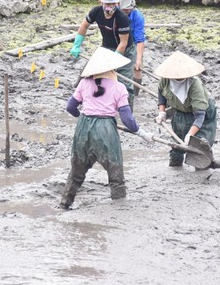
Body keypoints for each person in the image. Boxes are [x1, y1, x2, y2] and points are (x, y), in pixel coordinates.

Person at [62, 46, 153, 209]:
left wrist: (81, 116)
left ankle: (64, 204)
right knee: (115, 173)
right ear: (112, 68)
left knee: (77, 171)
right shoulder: (119, 88)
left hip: (83, 128)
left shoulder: (84, 82)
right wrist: (142, 133)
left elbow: (70, 107)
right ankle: (119, 210)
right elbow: (126, 118)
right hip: (105, 129)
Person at [154, 51, 220, 169]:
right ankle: (176, 165)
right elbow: (161, 92)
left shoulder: (195, 85)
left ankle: (206, 164)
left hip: (202, 116)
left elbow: (200, 116)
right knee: (177, 147)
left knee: (199, 146)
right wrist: (162, 111)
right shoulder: (165, 80)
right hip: (180, 112)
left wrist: (190, 134)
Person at [70, 0, 136, 109]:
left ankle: (127, 111)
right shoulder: (96, 12)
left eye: (113, 4)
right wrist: (77, 45)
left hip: (125, 51)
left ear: (117, 3)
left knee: (125, 82)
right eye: (107, 4)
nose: (110, 6)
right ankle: (77, 100)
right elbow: (84, 26)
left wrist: (114, 62)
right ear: (101, 3)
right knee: (89, 72)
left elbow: (123, 43)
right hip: (106, 48)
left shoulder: (121, 18)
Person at [119, 0, 146, 98]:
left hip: (133, 42)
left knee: (137, 68)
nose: (126, 11)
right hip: (117, 40)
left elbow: (139, 39)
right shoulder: (114, 12)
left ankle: (135, 94)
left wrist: (138, 60)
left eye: (128, 9)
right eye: (124, 9)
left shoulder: (137, 16)